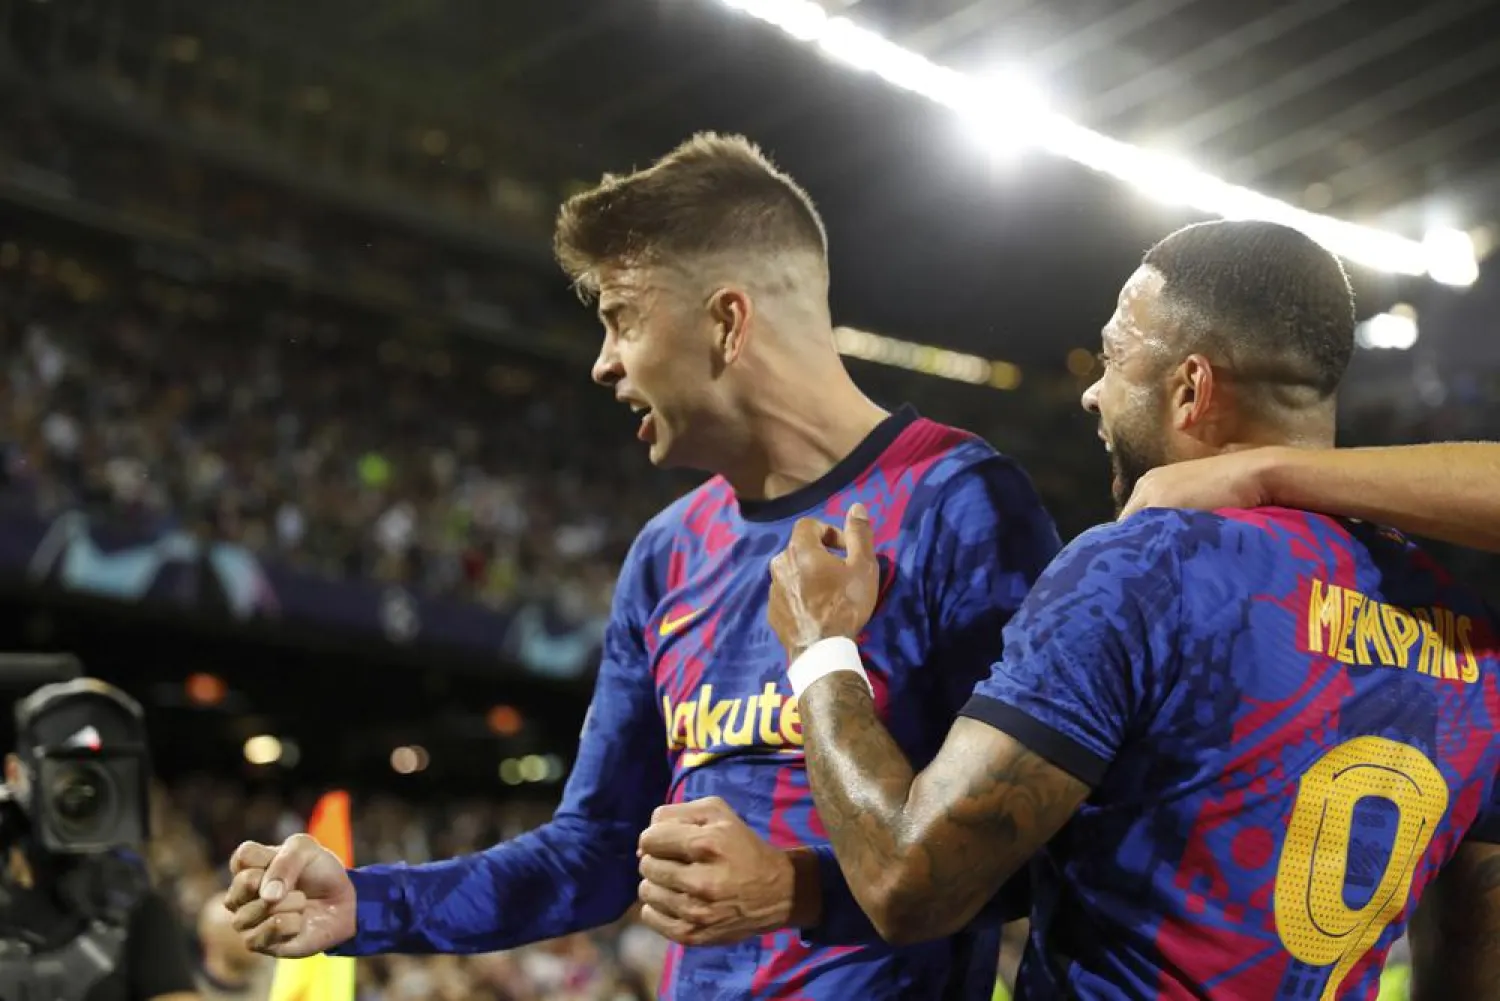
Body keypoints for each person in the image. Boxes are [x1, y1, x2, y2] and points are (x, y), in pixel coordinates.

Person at [222, 133, 1060, 998]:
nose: (603, 361)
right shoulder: (668, 552)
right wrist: (367, 902)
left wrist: (795, 889)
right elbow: (593, 851)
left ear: (727, 322)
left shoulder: (959, 503)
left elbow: (1037, 849)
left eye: (622, 317)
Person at [753, 219, 1500, 998]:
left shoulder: (1145, 569)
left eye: (1112, 356)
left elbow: (908, 882)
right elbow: (1476, 962)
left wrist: (820, 647)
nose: (1092, 389)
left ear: (1191, 389)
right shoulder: (1466, 631)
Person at [1119, 441, 1500, 553]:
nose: (1093, 394)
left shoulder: (1120, 570)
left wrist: (1264, 471)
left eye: (1115, 358)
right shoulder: (1445, 589)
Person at [194, 892, 271, 1001]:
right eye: (245, 929)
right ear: (212, 940)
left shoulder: (273, 985)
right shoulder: (190, 994)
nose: (257, 935)